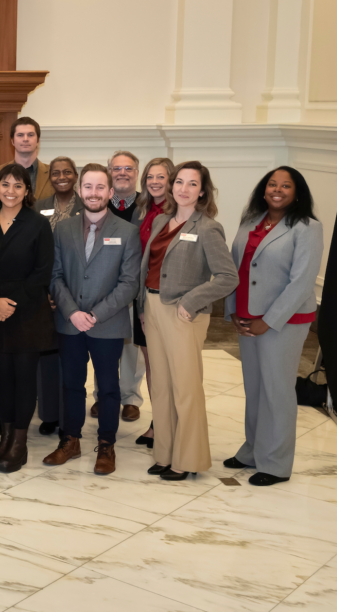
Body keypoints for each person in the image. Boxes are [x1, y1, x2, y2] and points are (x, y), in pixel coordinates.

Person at [138, 161, 238, 481]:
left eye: (192, 184)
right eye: (179, 182)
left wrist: (192, 301)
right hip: (152, 310)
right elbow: (148, 268)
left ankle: (188, 458)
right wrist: (142, 307)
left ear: (203, 191)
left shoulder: (208, 227)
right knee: (162, 387)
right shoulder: (161, 221)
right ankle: (165, 453)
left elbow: (227, 277)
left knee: (186, 388)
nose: (183, 189)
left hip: (183, 315)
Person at [224, 167, 322, 486]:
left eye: (286, 186)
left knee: (277, 391)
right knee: (254, 388)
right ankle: (253, 450)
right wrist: (233, 311)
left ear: (297, 192)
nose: (277, 190)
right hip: (247, 318)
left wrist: (267, 321)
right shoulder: (251, 220)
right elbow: (235, 265)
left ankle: (276, 463)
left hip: (283, 322)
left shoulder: (307, 228)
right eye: (272, 184)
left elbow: (302, 282)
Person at [43, 163, 140, 475]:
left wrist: (95, 314)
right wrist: (72, 311)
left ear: (110, 192)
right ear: (80, 190)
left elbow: (129, 284)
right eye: (88, 187)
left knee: (109, 388)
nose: (94, 193)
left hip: (107, 324)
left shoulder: (127, 232)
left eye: (100, 187)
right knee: (71, 385)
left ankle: (107, 445)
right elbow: (55, 275)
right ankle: (71, 441)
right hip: (70, 323)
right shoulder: (63, 228)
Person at [0, 165, 55, 473]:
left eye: (18, 186)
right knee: (2, 378)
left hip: (27, 313)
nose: (11, 190)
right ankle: (6, 436)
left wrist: (11, 304)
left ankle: (20, 443)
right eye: (5, 185)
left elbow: (42, 272)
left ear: (27, 191)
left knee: (24, 379)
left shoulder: (38, 224)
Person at [90, 151, 146, 424]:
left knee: (132, 347)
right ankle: (102, 394)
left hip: (136, 286)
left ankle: (131, 398)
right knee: (103, 344)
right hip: (103, 289)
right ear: (110, 173)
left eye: (128, 168)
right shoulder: (99, 203)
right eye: (117, 168)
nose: (122, 172)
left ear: (137, 172)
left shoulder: (147, 206)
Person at [31, 156, 84, 437]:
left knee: (72, 358)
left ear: (75, 176)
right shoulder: (40, 207)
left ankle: (70, 415)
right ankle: (49, 414)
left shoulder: (86, 207)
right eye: (55, 173)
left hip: (77, 293)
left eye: (67, 172)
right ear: (49, 177)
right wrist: (47, 290)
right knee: (47, 357)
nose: (61, 176)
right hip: (45, 292)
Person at [131, 157, 176, 448]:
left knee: (169, 366)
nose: (155, 182)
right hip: (143, 296)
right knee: (152, 365)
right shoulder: (142, 210)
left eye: (161, 177)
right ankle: (158, 421)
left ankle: (169, 424)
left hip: (167, 297)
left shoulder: (178, 212)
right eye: (150, 177)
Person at [0, 117, 53, 202]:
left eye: (30, 135)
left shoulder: (53, 173)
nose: (25, 139)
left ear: (38, 140)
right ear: (12, 141)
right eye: (20, 135)